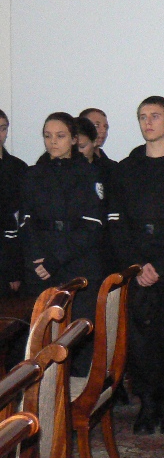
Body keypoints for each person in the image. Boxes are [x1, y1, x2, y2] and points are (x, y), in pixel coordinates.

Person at [108, 97, 164, 434]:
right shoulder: (125, 169)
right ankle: (147, 405)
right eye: (142, 117)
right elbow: (116, 222)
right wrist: (138, 264)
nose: (148, 123)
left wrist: (160, 265)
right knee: (141, 341)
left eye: (155, 116)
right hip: (138, 266)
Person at [20, 112, 105, 373]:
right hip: (41, 264)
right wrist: (37, 259)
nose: (53, 142)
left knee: (77, 336)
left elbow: (91, 226)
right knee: (42, 337)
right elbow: (26, 221)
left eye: (60, 136)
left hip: (76, 263)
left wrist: (55, 259)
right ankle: (43, 392)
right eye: (47, 136)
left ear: (73, 139)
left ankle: (77, 391)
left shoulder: (88, 173)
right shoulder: (33, 174)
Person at [0, 110, 28, 297]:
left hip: (8, 252)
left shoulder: (18, 168)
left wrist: (14, 269)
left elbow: (20, 218)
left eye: (3, 128)